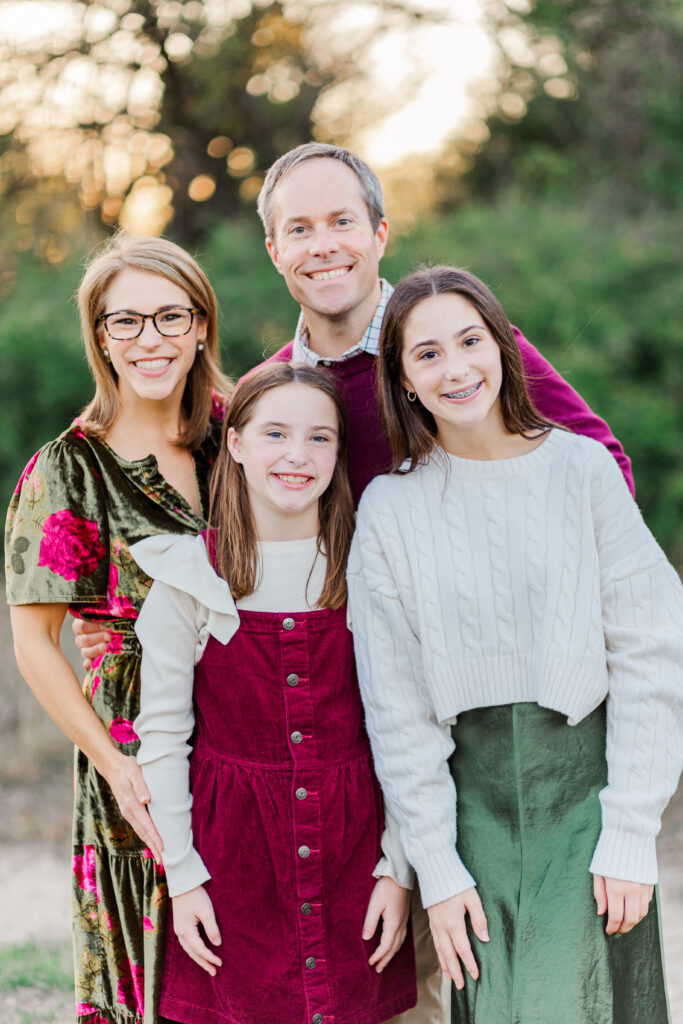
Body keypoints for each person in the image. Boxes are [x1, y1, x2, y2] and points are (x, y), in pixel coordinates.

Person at [76, 140, 636, 1024]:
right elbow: (213, 521)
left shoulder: (449, 346)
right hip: (324, 728)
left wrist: (501, 607)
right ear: (272, 250)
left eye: (341, 221)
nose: (322, 243)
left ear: (379, 231)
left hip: (458, 719)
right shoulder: (270, 392)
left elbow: (593, 464)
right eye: (298, 227)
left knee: (433, 986)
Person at [347, 265, 682, 1024]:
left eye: (469, 340)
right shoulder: (389, 509)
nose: (455, 367)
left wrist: (630, 829)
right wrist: (435, 867)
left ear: (501, 347)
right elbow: (396, 709)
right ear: (401, 379)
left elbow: (651, 651)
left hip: (587, 799)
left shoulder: (580, 469)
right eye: (425, 353)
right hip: (471, 815)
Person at [129, 362, 417, 1024]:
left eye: (320, 438)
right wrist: (185, 878)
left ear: (341, 452)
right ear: (234, 443)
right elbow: (165, 737)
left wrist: (395, 868)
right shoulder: (190, 576)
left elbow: (410, 726)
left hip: (356, 855)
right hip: (232, 860)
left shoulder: (369, 566)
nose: (298, 455)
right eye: (276, 434)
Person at [5, 231, 230, 1024]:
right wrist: (111, 762)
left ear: (202, 324)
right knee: (160, 968)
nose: (149, 340)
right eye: (124, 322)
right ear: (99, 336)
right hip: (137, 741)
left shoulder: (238, 438)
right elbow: (34, 639)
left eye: (170, 316)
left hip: (252, 723)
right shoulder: (69, 467)